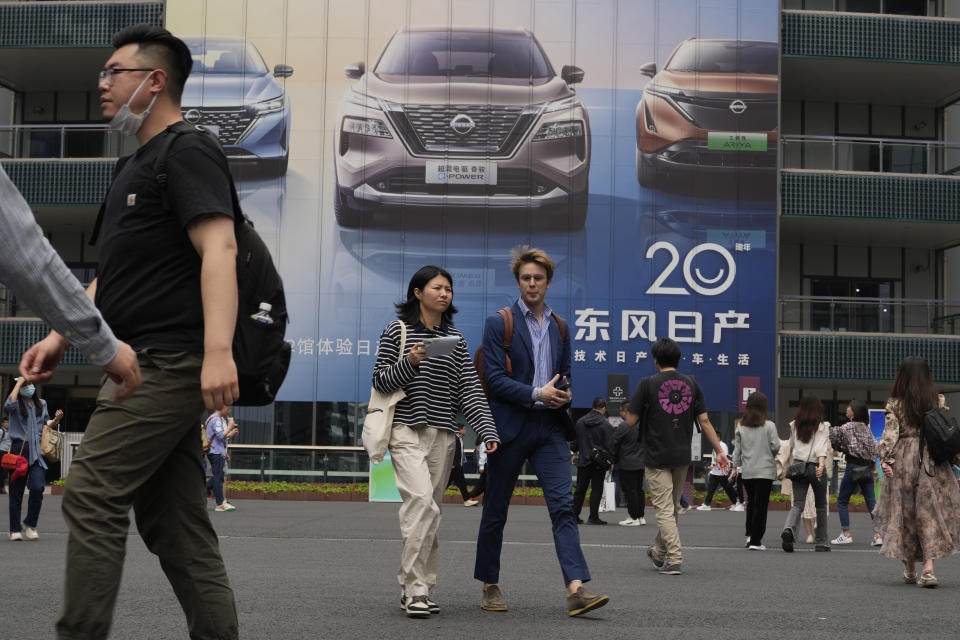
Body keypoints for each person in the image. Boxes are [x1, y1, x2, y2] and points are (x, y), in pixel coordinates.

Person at [21, 24, 241, 638]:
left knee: (90, 490)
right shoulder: (131, 167)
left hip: (169, 361)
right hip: (139, 359)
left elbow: (219, 246)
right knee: (176, 528)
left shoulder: (187, 150)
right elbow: (112, 279)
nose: (101, 85)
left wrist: (218, 351)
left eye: (113, 73)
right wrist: (62, 334)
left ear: (154, 80)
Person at [475, 246, 609, 617]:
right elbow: (496, 381)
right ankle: (489, 584)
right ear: (518, 282)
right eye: (525, 278)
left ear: (549, 282)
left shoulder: (560, 326)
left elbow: (565, 374)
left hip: (549, 427)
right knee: (496, 510)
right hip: (510, 426)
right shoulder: (498, 322)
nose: (532, 284)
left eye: (538, 278)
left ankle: (576, 589)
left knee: (563, 507)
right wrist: (536, 392)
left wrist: (563, 393)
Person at [373, 265, 499, 618]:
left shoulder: (453, 341)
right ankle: (413, 586)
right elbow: (382, 381)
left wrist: (486, 430)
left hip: (443, 435)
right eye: (437, 288)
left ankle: (422, 585)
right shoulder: (397, 331)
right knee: (422, 504)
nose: (444, 294)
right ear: (417, 292)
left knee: (432, 511)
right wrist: (410, 361)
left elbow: (469, 390)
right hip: (405, 430)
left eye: (449, 289)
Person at [623, 337, 730, 576]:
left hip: (656, 455)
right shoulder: (692, 385)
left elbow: (631, 420)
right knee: (670, 509)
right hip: (682, 455)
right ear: (678, 359)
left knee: (664, 510)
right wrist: (720, 451)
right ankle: (659, 553)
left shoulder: (647, 383)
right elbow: (704, 421)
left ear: (656, 360)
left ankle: (674, 557)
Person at [873, 356, 960, 587]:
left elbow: (890, 435)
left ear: (902, 376)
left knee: (905, 513)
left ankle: (910, 569)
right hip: (931, 461)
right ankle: (928, 568)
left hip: (904, 460)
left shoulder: (895, 403)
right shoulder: (936, 400)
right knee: (930, 513)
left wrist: (885, 459)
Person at [4, 377, 61, 540]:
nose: (28, 388)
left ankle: (30, 523)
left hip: (36, 451)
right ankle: (14, 530)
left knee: (38, 487)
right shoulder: (15, 404)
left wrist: (56, 420)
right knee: (16, 492)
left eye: (29, 385)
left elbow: (45, 423)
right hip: (18, 450)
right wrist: (18, 384)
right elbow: (7, 405)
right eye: (24, 385)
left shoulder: (41, 403)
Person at [780, 395, 832, 553]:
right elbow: (821, 448)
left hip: (798, 466)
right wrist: (821, 465)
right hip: (815, 466)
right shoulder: (822, 426)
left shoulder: (794, 425)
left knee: (797, 505)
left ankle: (789, 529)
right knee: (821, 506)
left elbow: (793, 445)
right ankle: (822, 542)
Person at [830, 399, 881, 546]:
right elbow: (875, 448)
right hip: (867, 469)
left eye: (849, 407)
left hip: (853, 466)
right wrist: (873, 468)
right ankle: (878, 535)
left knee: (842, 500)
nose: (847, 409)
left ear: (854, 411)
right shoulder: (867, 428)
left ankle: (846, 534)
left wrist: (840, 445)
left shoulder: (848, 426)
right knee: (872, 502)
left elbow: (833, 435)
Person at [732, 392, 779, 550]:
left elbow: (737, 451)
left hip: (748, 471)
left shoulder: (741, 427)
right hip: (765, 471)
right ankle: (756, 541)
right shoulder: (769, 425)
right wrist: (769, 454)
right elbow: (776, 446)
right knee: (761, 505)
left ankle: (749, 536)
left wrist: (736, 467)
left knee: (751, 504)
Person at [571, 397, 614, 525]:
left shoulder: (580, 421)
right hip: (599, 463)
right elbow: (609, 445)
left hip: (584, 460)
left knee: (580, 488)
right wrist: (611, 461)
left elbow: (575, 440)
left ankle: (574, 515)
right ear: (604, 408)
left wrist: (575, 453)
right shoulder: (606, 424)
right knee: (597, 488)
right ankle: (593, 517)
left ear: (592, 406)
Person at [613, 401, 646, 526]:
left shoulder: (625, 425)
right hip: (641, 462)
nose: (620, 413)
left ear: (626, 412)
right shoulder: (641, 425)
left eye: (621, 411)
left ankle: (633, 517)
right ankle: (640, 516)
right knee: (639, 490)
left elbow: (614, 440)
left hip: (627, 463)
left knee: (630, 491)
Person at [206, 406, 239, 512]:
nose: (229, 411)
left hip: (217, 451)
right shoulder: (216, 419)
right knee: (218, 478)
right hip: (215, 452)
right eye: (228, 409)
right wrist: (229, 427)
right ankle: (220, 504)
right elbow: (220, 436)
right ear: (222, 408)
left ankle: (204, 492)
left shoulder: (214, 418)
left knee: (218, 477)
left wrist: (224, 452)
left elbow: (218, 438)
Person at [696, 441, 738, 511]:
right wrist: (713, 465)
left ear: (717, 437)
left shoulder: (723, 445)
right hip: (714, 472)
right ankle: (707, 504)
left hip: (721, 472)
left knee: (728, 488)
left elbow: (724, 457)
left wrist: (713, 464)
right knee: (711, 489)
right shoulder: (715, 445)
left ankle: (736, 502)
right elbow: (715, 458)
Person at [447, 425, 472, 503]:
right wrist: (453, 464)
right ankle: (467, 500)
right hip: (454, 466)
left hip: (458, 465)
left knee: (460, 483)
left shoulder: (460, 439)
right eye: (464, 429)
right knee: (462, 483)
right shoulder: (455, 439)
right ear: (459, 430)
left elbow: (460, 453)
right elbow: (450, 451)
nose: (465, 430)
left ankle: (467, 500)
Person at [0, 415, 10, 494]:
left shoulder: (11, 432)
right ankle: (2, 487)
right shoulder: (1, 431)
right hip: (1, 452)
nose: (7, 424)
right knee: (3, 470)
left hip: (8, 453)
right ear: (2, 424)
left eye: (8, 422)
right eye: (5, 422)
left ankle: (2, 487)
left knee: (5, 471)